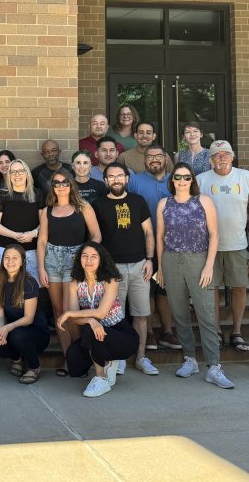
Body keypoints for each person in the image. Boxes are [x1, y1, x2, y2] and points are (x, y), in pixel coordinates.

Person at [156, 163, 233, 389]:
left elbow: (214, 234)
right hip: (171, 260)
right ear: (172, 180)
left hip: (198, 260)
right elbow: (160, 237)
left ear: (192, 180)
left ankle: (213, 366)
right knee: (179, 312)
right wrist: (160, 267)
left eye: (186, 177)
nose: (181, 181)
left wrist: (209, 265)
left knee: (206, 313)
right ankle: (190, 359)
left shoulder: (203, 201)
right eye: (177, 177)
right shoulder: (164, 204)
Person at [92, 162, 158, 376]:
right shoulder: (98, 204)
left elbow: (148, 232)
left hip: (140, 265)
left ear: (127, 178)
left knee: (141, 315)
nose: (116, 180)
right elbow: (96, 239)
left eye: (120, 176)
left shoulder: (138, 201)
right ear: (105, 181)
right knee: (114, 317)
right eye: (111, 177)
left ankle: (140, 358)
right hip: (112, 270)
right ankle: (118, 357)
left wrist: (150, 259)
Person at [197, 140, 249, 352]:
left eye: (225, 154)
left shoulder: (246, 177)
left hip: (238, 245)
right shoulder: (201, 180)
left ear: (232, 157)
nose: (221, 158)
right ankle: (215, 330)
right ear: (210, 159)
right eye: (216, 155)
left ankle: (237, 331)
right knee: (211, 289)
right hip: (209, 248)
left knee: (239, 288)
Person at [37, 168, 100, 373]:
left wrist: (85, 255)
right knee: (58, 311)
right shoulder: (47, 210)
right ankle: (68, 358)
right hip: (52, 261)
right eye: (57, 183)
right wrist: (41, 267)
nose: (61, 186)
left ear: (71, 184)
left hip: (75, 261)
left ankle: (82, 353)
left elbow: (96, 236)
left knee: (70, 312)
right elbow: (42, 240)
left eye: (65, 182)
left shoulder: (83, 207)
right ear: (52, 187)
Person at [56, 243, 139, 398]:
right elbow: (73, 318)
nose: (89, 260)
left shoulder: (110, 280)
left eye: (94, 256)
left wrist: (81, 317)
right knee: (74, 360)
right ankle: (107, 361)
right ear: (79, 259)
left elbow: (100, 313)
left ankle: (101, 378)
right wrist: (90, 320)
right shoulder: (74, 283)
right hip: (95, 332)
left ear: (101, 260)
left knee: (90, 330)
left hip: (121, 335)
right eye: (85, 256)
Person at [127, 145, 178, 351]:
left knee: (164, 291)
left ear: (166, 158)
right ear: (145, 160)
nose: (154, 159)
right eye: (150, 156)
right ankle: (147, 333)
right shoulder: (136, 181)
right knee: (146, 291)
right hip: (144, 246)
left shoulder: (176, 180)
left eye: (159, 156)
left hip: (172, 246)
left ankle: (167, 332)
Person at [0, 245, 49, 383]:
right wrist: (0, 331)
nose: (10, 261)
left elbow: (28, 318)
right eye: (7, 258)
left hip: (36, 333)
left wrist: (7, 328)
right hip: (13, 330)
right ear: (2, 260)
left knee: (17, 335)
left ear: (22, 261)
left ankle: (34, 367)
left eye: (15, 258)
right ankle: (17, 358)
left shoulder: (30, 283)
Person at [0, 159, 44, 281]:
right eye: (13, 172)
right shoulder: (2, 195)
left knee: (31, 290)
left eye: (20, 171)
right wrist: (15, 235)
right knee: (3, 289)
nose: (17, 175)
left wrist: (34, 233)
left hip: (32, 251)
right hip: (7, 251)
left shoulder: (38, 194)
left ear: (27, 173)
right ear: (9, 175)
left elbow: (44, 222)